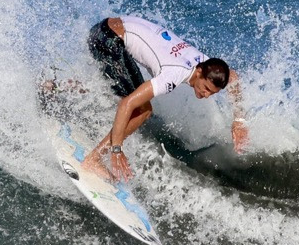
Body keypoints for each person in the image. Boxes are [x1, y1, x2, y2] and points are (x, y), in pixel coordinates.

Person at [82, 16, 247, 181]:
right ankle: (93, 159)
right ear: (199, 73)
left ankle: (60, 86)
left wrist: (239, 120)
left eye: (212, 93)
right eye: (206, 89)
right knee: (142, 111)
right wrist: (116, 149)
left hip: (109, 30)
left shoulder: (206, 63)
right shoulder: (173, 74)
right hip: (107, 41)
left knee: (123, 91)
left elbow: (232, 76)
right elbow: (127, 104)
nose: (207, 95)